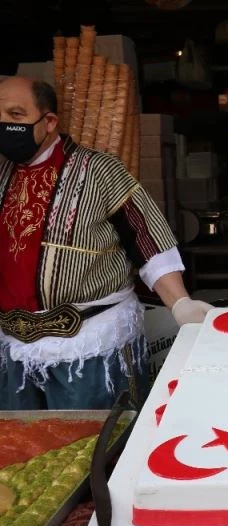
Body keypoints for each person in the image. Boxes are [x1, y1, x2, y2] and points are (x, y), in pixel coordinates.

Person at [0, 77, 212, 410]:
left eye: (15, 115)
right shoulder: (2, 173)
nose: (5, 125)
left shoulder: (99, 170)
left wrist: (180, 302)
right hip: (13, 348)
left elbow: (146, 238)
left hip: (89, 348)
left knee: (93, 450)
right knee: (24, 453)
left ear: (49, 122)